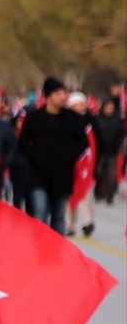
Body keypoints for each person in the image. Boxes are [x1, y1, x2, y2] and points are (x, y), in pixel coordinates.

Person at [18, 77, 88, 234]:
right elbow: (22, 143)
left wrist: (70, 156)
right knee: (40, 212)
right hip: (39, 175)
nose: (62, 97)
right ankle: (40, 246)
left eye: (63, 93)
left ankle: (57, 247)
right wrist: (35, 157)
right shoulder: (34, 118)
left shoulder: (73, 118)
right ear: (48, 97)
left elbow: (83, 143)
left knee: (58, 216)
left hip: (62, 175)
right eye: (58, 94)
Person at [64, 92, 98, 237]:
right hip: (69, 164)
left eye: (84, 104)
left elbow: (99, 142)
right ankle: (69, 225)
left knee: (85, 194)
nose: (83, 107)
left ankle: (87, 222)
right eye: (80, 104)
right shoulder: (65, 121)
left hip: (87, 165)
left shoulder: (91, 122)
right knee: (68, 196)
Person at [94, 97, 125, 204]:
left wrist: (117, 145)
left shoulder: (117, 120)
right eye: (108, 107)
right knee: (99, 173)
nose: (110, 109)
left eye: (112, 107)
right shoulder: (97, 118)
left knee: (112, 175)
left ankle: (110, 196)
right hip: (100, 151)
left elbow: (121, 134)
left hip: (112, 152)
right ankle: (98, 193)